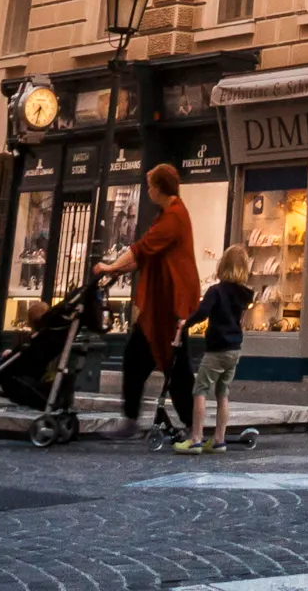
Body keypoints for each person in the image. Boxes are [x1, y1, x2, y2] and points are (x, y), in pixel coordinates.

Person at [119, 162, 201, 437]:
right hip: (161, 303)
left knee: (174, 364)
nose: (148, 191)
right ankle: (135, 419)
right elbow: (145, 254)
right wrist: (116, 268)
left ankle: (190, 424)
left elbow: (142, 249)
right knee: (151, 359)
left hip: (170, 304)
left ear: (160, 188)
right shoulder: (168, 214)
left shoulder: (174, 216)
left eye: (150, 185)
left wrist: (108, 268)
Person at [179, 244, 256, 453]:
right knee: (223, 393)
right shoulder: (245, 295)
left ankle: (196, 438)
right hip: (234, 350)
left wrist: (186, 323)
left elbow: (202, 312)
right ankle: (219, 439)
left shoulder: (216, 291)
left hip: (216, 349)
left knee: (200, 390)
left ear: (223, 265)